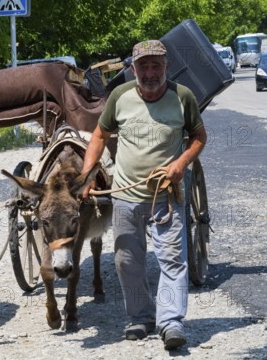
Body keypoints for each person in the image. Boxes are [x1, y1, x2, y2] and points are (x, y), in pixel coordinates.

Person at [81, 40, 207, 350]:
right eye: (143, 66)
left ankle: (170, 322)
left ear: (167, 67)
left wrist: (180, 164)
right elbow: (99, 134)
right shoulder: (120, 97)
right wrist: (86, 175)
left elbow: (199, 137)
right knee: (126, 261)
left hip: (166, 195)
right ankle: (140, 317)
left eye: (156, 65)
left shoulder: (183, 97)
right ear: (133, 69)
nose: (150, 72)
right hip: (125, 196)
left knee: (173, 260)